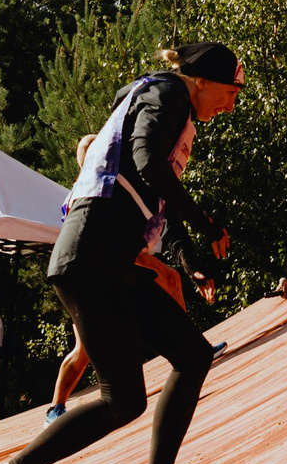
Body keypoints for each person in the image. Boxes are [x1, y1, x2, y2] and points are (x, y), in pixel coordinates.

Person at [0, 44, 239, 464]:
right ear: (201, 81)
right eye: (228, 94)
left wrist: (188, 253)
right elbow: (146, 164)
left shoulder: (160, 100)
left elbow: (154, 195)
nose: (228, 106)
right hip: (92, 259)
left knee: (191, 354)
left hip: (108, 260)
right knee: (124, 399)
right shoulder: (168, 95)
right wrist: (207, 221)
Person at [45, 122, 209, 423]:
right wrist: (154, 263)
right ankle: (55, 408)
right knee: (83, 352)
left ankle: (192, 346)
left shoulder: (102, 184)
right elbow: (101, 244)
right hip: (92, 276)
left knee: (170, 280)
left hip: (108, 270)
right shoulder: (88, 192)